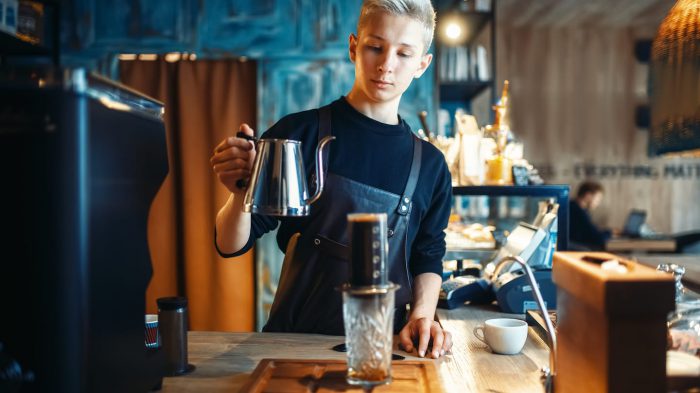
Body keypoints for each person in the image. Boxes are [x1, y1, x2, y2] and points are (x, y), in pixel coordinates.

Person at [209, 0, 452, 359]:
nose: (386, 65)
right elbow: (231, 245)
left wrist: (422, 316)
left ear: (422, 64)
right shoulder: (298, 135)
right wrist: (239, 195)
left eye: (404, 54)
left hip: (385, 352)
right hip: (295, 344)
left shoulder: (431, 165)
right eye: (375, 47)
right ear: (354, 46)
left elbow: (428, 255)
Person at [569, 180, 612, 250]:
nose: (598, 203)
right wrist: (610, 232)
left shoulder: (573, 206)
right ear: (588, 196)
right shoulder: (578, 211)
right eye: (597, 199)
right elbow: (598, 238)